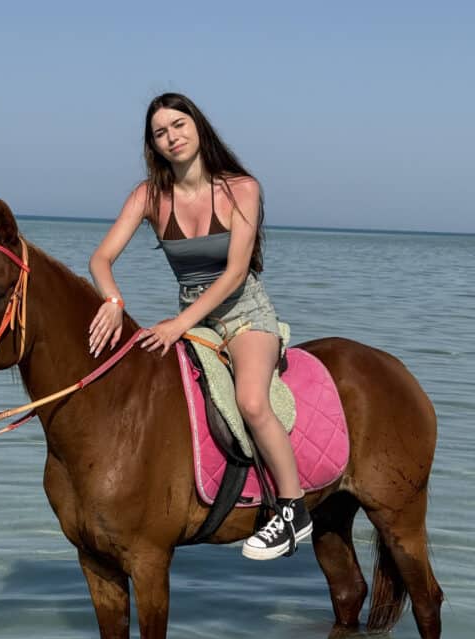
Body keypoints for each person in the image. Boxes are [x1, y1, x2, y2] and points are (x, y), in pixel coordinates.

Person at [87, 92, 311, 560]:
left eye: (178, 126)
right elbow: (101, 258)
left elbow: (234, 273)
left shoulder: (241, 189)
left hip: (245, 315)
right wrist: (113, 299)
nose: (172, 138)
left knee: (251, 401)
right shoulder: (148, 196)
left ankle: (293, 510)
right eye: (160, 133)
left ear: (198, 126)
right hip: (194, 321)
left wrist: (177, 324)